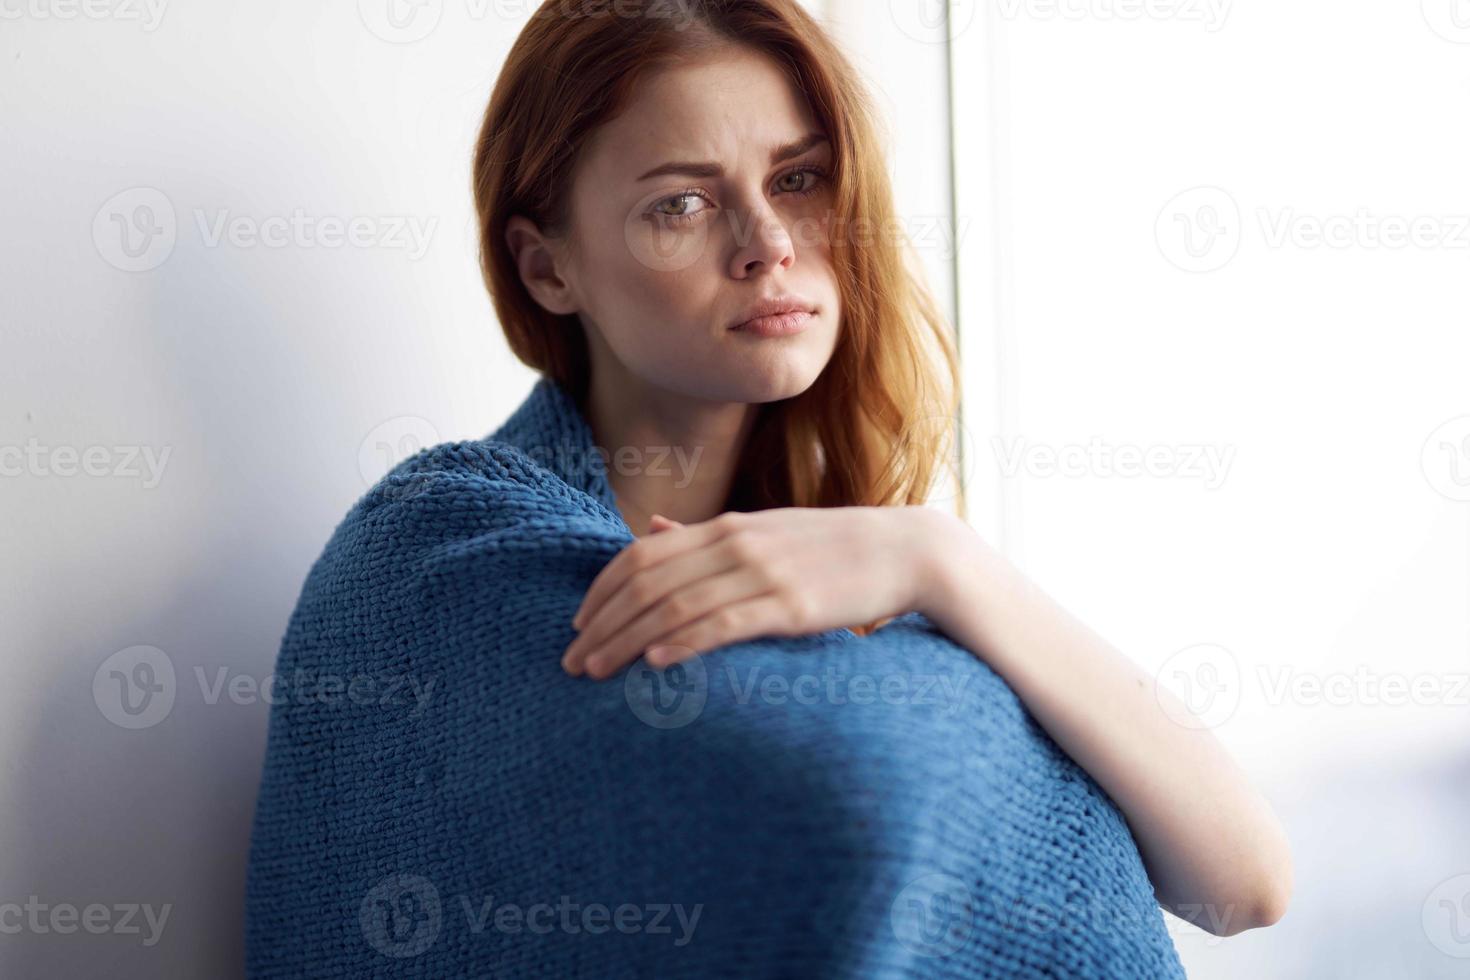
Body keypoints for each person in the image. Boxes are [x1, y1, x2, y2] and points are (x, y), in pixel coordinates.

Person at [478, 0, 1290, 939]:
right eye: (682, 203)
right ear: (547, 268)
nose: (769, 243)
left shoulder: (869, 566)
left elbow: (1244, 886)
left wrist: (940, 559)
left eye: (800, 177)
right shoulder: (467, 550)